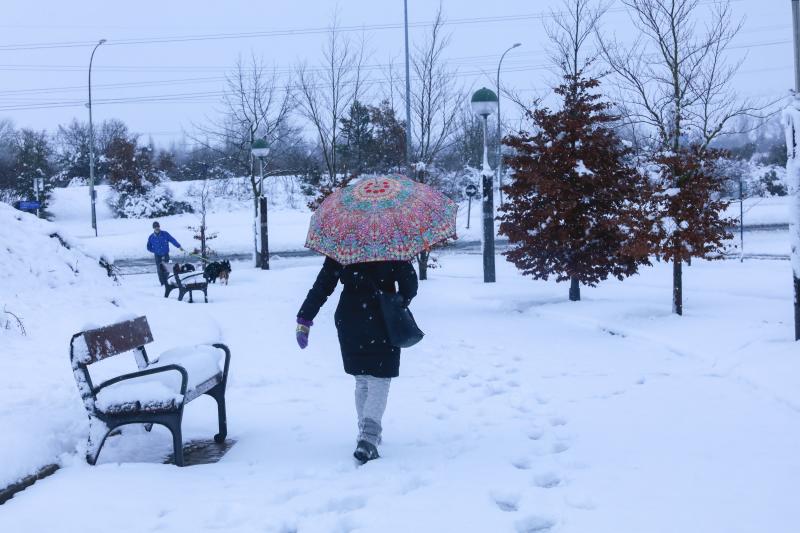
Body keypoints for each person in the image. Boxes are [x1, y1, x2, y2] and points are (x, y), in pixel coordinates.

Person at [296, 256, 418, 464]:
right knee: (379, 378)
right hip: (382, 316)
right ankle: (369, 439)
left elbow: (323, 284)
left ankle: (365, 433)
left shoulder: (344, 243)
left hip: (350, 317)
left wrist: (304, 319)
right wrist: (401, 299)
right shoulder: (390, 244)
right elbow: (409, 284)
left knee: (362, 379)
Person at [146, 221, 183, 286]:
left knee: (168, 268)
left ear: (159, 227)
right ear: (153, 228)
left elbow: (172, 240)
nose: (157, 228)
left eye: (157, 227)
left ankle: (165, 280)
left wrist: (179, 246)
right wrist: (154, 250)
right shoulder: (151, 237)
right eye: (155, 227)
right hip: (157, 255)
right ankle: (162, 283)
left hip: (165, 254)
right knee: (159, 269)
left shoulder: (165, 234)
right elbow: (148, 247)